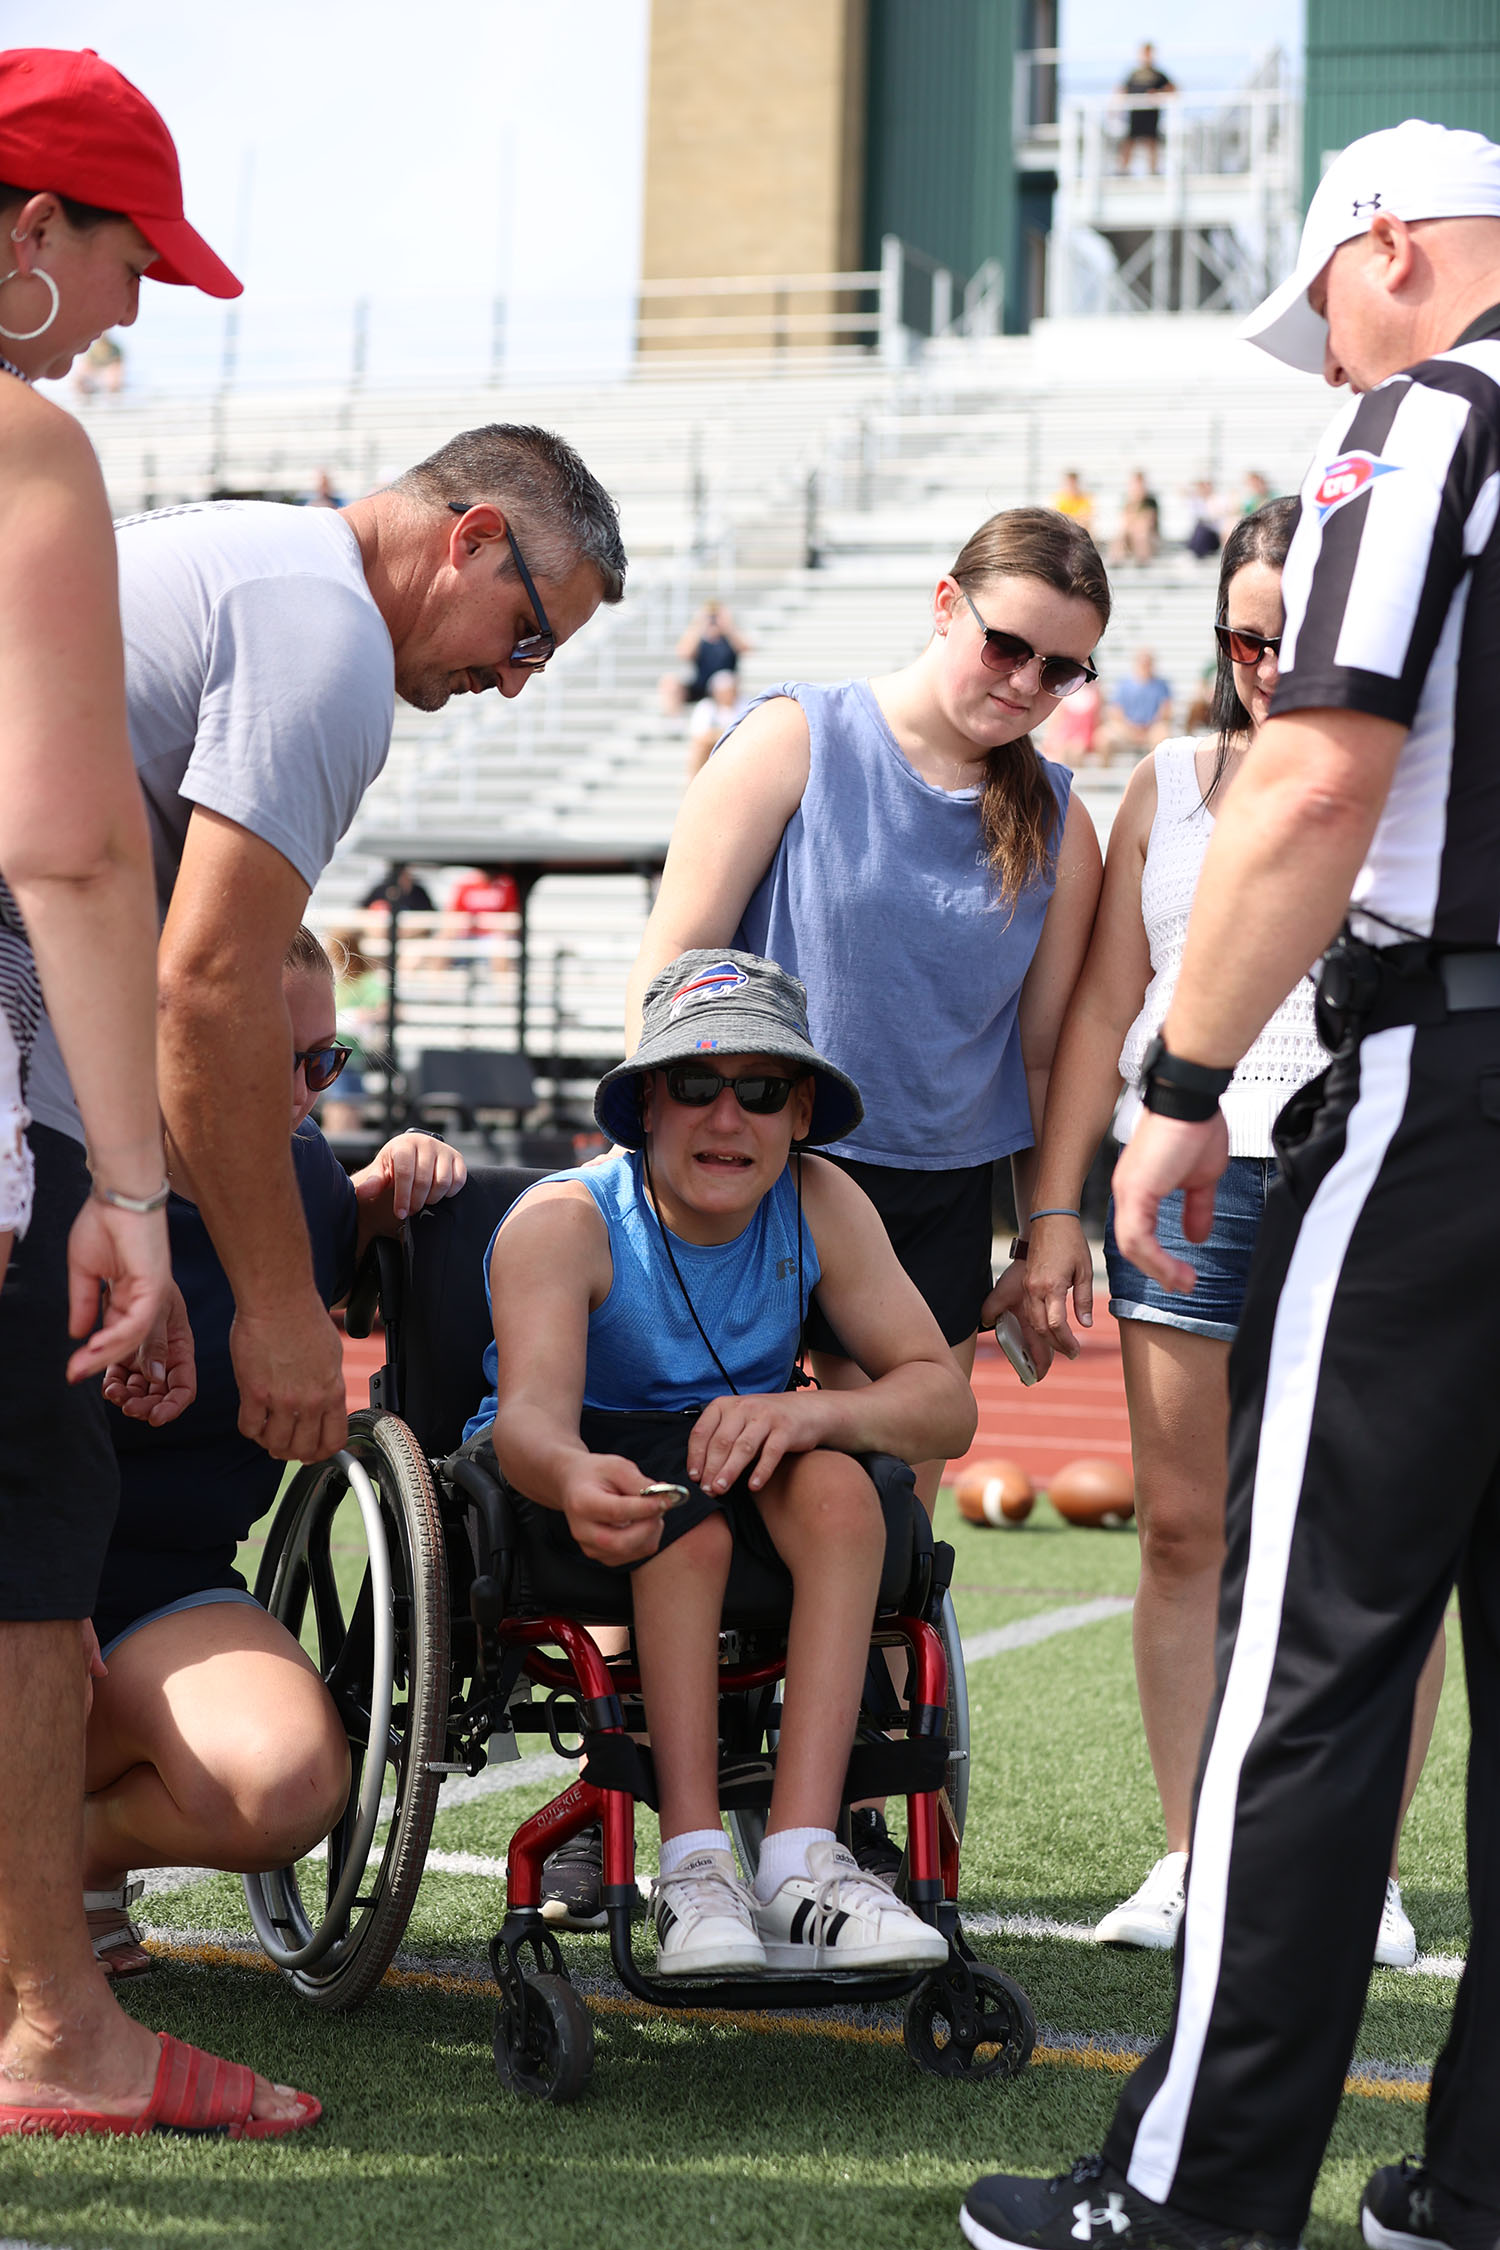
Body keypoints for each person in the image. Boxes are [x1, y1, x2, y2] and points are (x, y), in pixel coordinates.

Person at [961, 117, 1500, 2250]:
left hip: (1450, 1080)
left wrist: (1182, 1076)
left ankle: (1193, 2200)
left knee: (1315, 1657)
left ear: (1383, 243)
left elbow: (1324, 764)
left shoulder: (1425, 417)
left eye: (1330, 306)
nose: (1328, 361)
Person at [0, 44, 315, 2142]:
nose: (129, 311)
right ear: (31, 231)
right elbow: (77, 849)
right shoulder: (21, 450)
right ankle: (60, 2036)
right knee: (29, 1551)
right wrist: (130, 1180)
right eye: (124, 257)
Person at [629, 508, 1106, 1880]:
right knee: (687, 1470)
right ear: (944, 603)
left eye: (1060, 670)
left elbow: (1039, 1039)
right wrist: (663, 1174)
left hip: (940, 1200)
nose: (1024, 683)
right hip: (754, 1172)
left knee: (882, 1512)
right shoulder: (795, 736)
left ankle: (825, 1801)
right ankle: (649, 1794)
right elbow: (673, 972)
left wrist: (1045, 1220)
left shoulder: (1060, 811)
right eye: (1008, 644)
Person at [19, 421, 625, 1482]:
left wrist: (140, 1217)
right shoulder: (330, 638)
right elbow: (204, 989)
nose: (517, 679)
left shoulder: (265, 557)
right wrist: (282, 1309)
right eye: (527, 633)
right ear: (472, 538)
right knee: (36, 1518)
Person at [1017, 499, 1441, 1973]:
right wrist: (1057, 1204)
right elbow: (1096, 1011)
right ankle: (1200, 1851)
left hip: (1360, 1170)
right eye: (1242, 635)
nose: (1265, 661)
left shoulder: (1415, 778)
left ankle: (1358, 1874)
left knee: (1359, 1541)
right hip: (1174, 1182)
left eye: (1293, 634)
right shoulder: (1171, 783)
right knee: (1188, 1531)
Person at [470, 949, 976, 1976]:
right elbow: (528, 1422)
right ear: (646, 1103)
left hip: (738, 1450)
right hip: (581, 1471)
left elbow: (943, 1402)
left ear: (798, 1114)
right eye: (696, 1083)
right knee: (681, 1530)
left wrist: (816, 1415)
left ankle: (798, 1854)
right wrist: (571, 1476)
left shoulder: (821, 1199)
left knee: (841, 1490)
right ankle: (696, 1862)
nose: (727, 1115)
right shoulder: (567, 1221)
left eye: (761, 1089)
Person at [84, 928, 465, 1976]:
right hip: (26, 1575)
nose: (302, 1093)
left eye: (323, 1061)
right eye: (270, 1060)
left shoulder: (301, 1177)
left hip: (169, 1594)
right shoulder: (52, 1169)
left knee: (288, 1784)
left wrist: (388, 1186)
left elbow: (345, 1257)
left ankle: (57, 1858)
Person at [659, 599, 750, 715]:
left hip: (726, 687)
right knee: (669, 682)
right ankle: (673, 721)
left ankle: (724, 719)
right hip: (701, 685)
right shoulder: (699, 640)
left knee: (723, 680)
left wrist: (727, 625)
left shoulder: (730, 639)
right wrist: (699, 624)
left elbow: (746, 648)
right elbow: (683, 653)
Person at [1099, 648, 1173, 761]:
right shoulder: (1124, 684)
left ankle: (1153, 774)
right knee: (1103, 738)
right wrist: (1131, 727)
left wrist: (1148, 726)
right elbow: (1115, 711)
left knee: (1162, 736)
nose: (1145, 666)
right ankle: (1104, 773)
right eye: (1142, 662)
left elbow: (1165, 710)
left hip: (1151, 729)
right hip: (1126, 729)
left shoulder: (1161, 685)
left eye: (1148, 663)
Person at [1118, 43, 1176, 175]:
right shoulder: (1134, 74)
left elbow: (1172, 89)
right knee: (1129, 141)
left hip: (1151, 114)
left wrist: (1159, 95)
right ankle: (1123, 170)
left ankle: (1153, 170)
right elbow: (1122, 90)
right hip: (1135, 113)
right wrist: (1116, 107)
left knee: (1152, 142)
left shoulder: (1158, 75)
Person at [686, 667, 749, 780]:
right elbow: (700, 736)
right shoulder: (706, 707)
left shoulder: (744, 704)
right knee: (700, 749)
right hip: (717, 749)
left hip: (741, 748)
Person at [1111, 471, 1161, 565]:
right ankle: (1116, 560)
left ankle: (1142, 561)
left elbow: (1148, 523)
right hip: (1131, 535)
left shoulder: (1151, 501)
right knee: (1121, 534)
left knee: (1142, 533)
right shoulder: (1128, 501)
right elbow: (1125, 521)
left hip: (1149, 538)